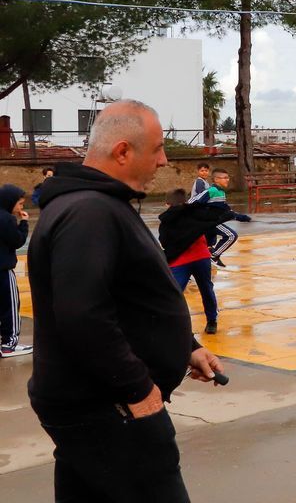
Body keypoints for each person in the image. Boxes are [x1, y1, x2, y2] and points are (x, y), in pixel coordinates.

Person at [27, 100, 223, 501]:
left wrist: (185, 347)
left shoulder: (99, 204)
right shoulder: (89, 212)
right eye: (158, 149)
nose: (164, 160)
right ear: (122, 152)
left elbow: (126, 297)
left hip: (96, 404)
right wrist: (138, 390)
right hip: (108, 408)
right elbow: (83, 316)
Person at [159, 189, 232, 335]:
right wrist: (210, 243)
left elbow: (164, 241)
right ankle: (212, 321)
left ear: (167, 204)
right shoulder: (195, 213)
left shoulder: (167, 220)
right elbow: (211, 226)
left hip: (182, 259)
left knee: (175, 293)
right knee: (206, 289)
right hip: (200, 256)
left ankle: (177, 324)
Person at [192, 167, 251, 267]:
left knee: (207, 244)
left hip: (211, 221)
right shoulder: (211, 191)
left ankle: (210, 258)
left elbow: (224, 209)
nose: (227, 180)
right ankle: (214, 256)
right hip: (207, 222)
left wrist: (239, 217)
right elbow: (193, 202)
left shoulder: (221, 192)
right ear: (216, 179)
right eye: (225, 178)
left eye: (228, 177)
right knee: (231, 235)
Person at [1, 184, 31, 357]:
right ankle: (9, 344)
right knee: (10, 307)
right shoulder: (7, 219)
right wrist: (24, 223)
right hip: (4, 270)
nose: (21, 207)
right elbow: (17, 241)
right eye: (19, 204)